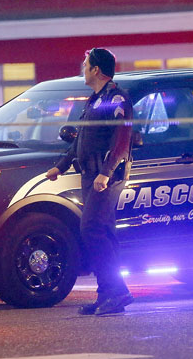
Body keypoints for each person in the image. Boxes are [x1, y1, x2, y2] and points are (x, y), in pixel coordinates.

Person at [45, 48, 134, 315]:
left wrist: (106, 172)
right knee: (102, 232)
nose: (82, 68)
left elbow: (122, 139)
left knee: (92, 230)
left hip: (104, 177)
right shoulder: (94, 100)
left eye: (86, 64)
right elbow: (81, 142)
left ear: (96, 69)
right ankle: (107, 295)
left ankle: (117, 291)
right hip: (91, 176)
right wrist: (59, 167)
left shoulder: (115, 98)